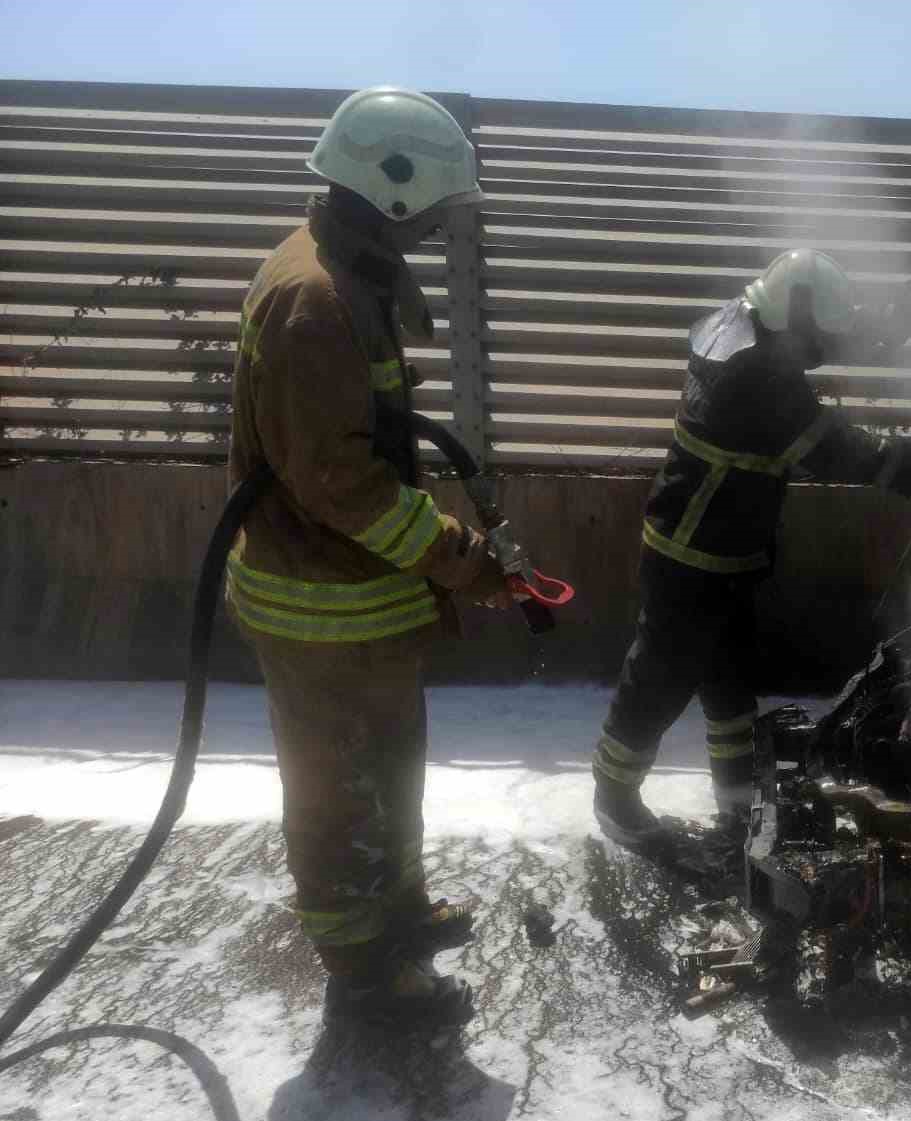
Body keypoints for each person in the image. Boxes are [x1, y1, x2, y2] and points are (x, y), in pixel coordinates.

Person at [226, 86, 509, 1029]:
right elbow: (338, 483)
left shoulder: (348, 269)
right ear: (392, 190)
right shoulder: (315, 298)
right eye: (434, 204)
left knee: (388, 769)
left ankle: (400, 913)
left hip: (359, 605)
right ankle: (362, 970)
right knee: (339, 792)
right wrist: (461, 556)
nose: (438, 223)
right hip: (321, 609)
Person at [592, 249, 911, 845]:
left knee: (728, 683)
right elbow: (830, 447)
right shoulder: (754, 377)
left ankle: (736, 806)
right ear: (795, 312)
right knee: (658, 678)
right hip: (691, 558)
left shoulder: (745, 324)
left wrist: (882, 331)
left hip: (720, 549)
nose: (818, 341)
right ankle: (614, 797)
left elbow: (809, 343)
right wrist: (909, 466)